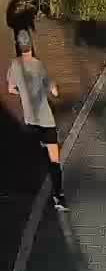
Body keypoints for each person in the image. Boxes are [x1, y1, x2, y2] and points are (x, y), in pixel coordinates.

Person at [8, 29, 64, 211]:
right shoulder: (39, 66)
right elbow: (54, 91)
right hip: (46, 121)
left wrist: (22, 93)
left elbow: (11, 89)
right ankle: (58, 197)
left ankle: (32, 194)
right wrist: (54, 87)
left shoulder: (15, 65)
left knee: (37, 157)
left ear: (18, 46)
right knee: (54, 161)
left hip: (30, 120)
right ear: (31, 46)